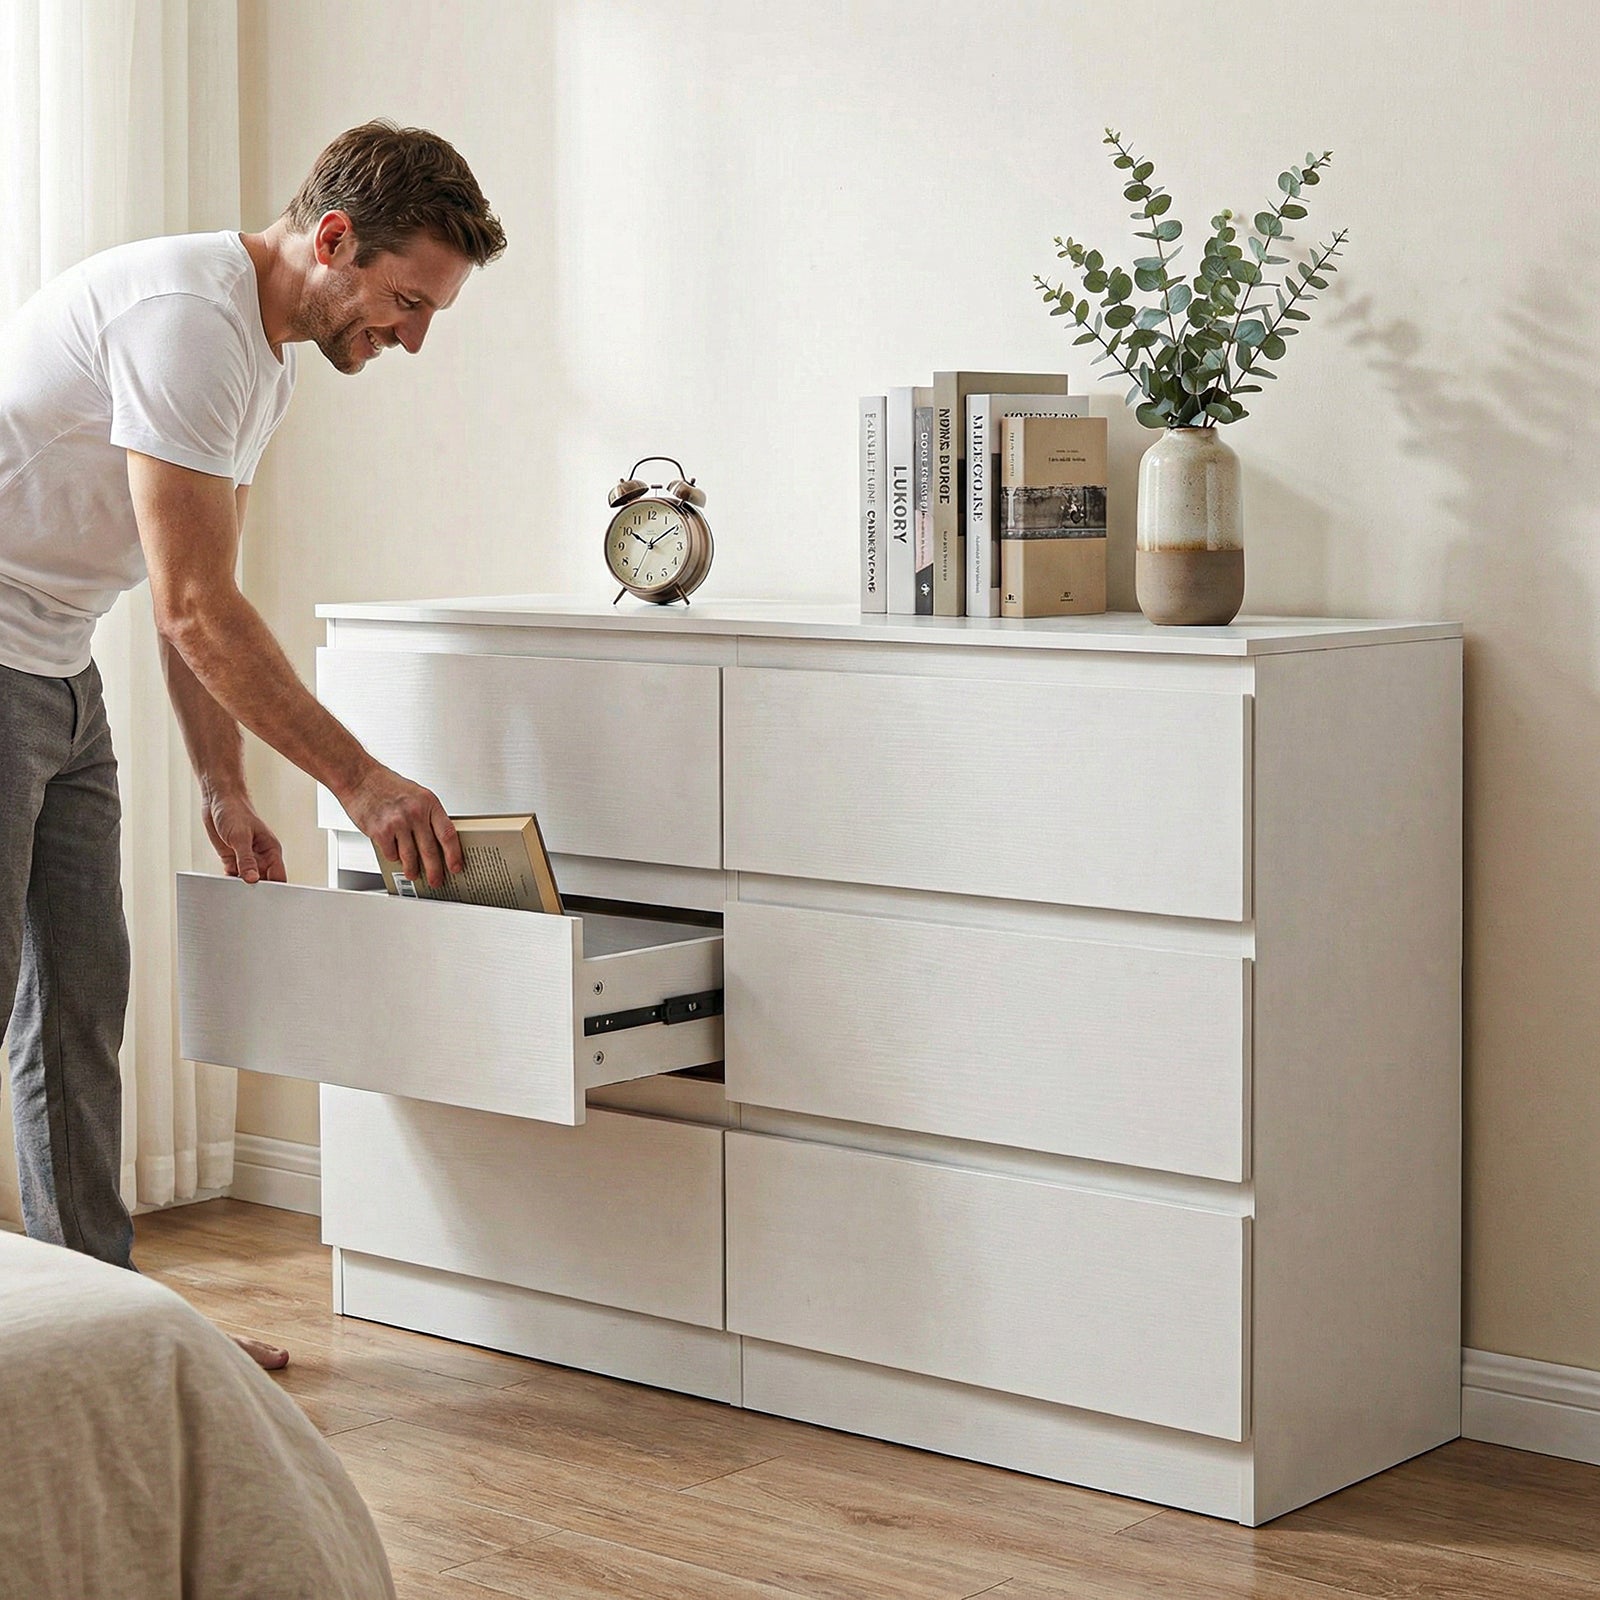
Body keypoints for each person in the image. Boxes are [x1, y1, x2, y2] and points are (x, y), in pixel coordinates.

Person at [0, 120, 505, 1368]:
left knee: (80, 1002)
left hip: (58, 668)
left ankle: (104, 1333)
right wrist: (364, 781)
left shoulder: (266, 356)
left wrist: (226, 786)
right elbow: (194, 608)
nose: (413, 336)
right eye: (403, 299)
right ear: (332, 239)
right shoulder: (188, 318)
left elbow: (193, 592)